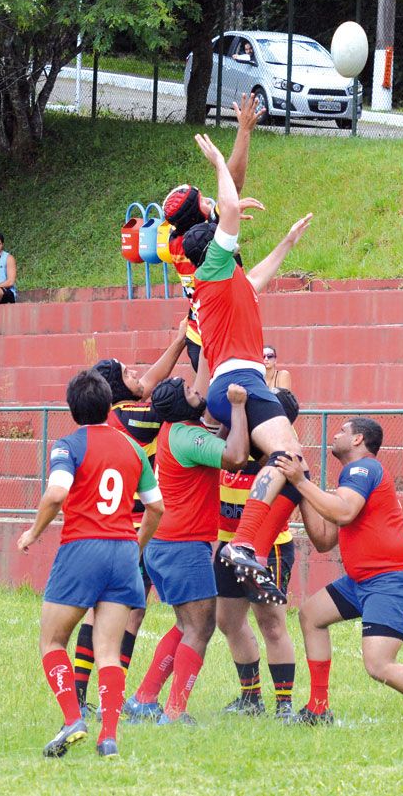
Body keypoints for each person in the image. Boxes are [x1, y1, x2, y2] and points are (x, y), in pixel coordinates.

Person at [274, 416, 403, 732]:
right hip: (364, 580)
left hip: (391, 579)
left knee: (378, 664)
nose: (335, 434)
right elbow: (325, 540)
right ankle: (318, 709)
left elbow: (343, 512)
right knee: (311, 614)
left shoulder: (363, 468)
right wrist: (302, 494)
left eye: (342, 430)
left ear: (358, 440)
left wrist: (302, 482)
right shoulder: (351, 477)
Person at [181, 133, 313, 588]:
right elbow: (231, 212)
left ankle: (250, 547)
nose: (236, 248)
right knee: (288, 458)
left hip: (233, 382)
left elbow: (258, 277)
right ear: (215, 252)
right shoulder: (213, 270)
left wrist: (288, 243)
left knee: (297, 470)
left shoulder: (226, 286)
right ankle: (245, 544)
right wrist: (219, 161)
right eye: (228, 244)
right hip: (240, 380)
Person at [17, 368, 164, 759]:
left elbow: (56, 494)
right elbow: (156, 507)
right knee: (109, 652)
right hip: (122, 553)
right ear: (108, 405)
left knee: (51, 641)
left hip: (83, 548)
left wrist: (33, 532)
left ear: (71, 408)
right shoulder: (133, 448)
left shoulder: (68, 444)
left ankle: (72, 719)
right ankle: (109, 738)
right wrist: (136, 547)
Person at [70, 320, 188, 714]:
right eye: (128, 372)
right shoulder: (133, 419)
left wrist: (177, 339)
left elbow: (152, 379)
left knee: (116, 612)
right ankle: (101, 697)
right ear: (119, 390)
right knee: (124, 615)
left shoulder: (119, 413)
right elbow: (160, 391)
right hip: (133, 532)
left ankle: (91, 695)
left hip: (114, 530)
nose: (139, 374)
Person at [125, 375, 249, 725]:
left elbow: (211, 452)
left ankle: (144, 698)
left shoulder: (173, 432)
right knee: (200, 628)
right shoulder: (187, 435)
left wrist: (224, 426)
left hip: (165, 544)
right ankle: (175, 712)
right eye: (190, 392)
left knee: (185, 625)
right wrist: (238, 408)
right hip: (182, 546)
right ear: (182, 406)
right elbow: (236, 457)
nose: (198, 392)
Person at [216, 388, 301, 722]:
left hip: (269, 549)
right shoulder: (235, 445)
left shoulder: (280, 460)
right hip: (227, 544)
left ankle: (284, 705)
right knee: (228, 621)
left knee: (271, 624)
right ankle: (250, 697)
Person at [163, 93, 265, 370]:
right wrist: (244, 131)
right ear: (202, 215)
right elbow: (234, 184)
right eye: (205, 202)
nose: (210, 200)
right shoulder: (208, 238)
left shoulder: (176, 240)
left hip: (199, 335)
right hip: (219, 340)